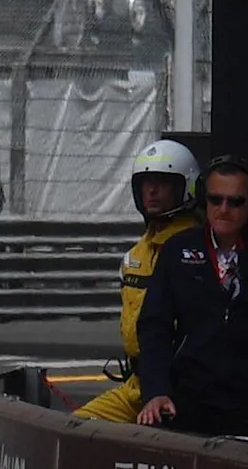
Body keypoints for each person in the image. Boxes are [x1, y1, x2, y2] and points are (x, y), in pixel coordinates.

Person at [136, 156, 248, 440]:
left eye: (235, 202)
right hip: (190, 400)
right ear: (202, 201)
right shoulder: (177, 249)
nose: (224, 209)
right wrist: (156, 390)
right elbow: (153, 326)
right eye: (215, 199)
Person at [76, 140, 201, 424]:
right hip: (137, 384)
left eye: (163, 183)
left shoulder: (196, 251)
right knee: (73, 431)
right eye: (146, 183)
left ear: (186, 188)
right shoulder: (136, 255)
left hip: (180, 387)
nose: (152, 191)